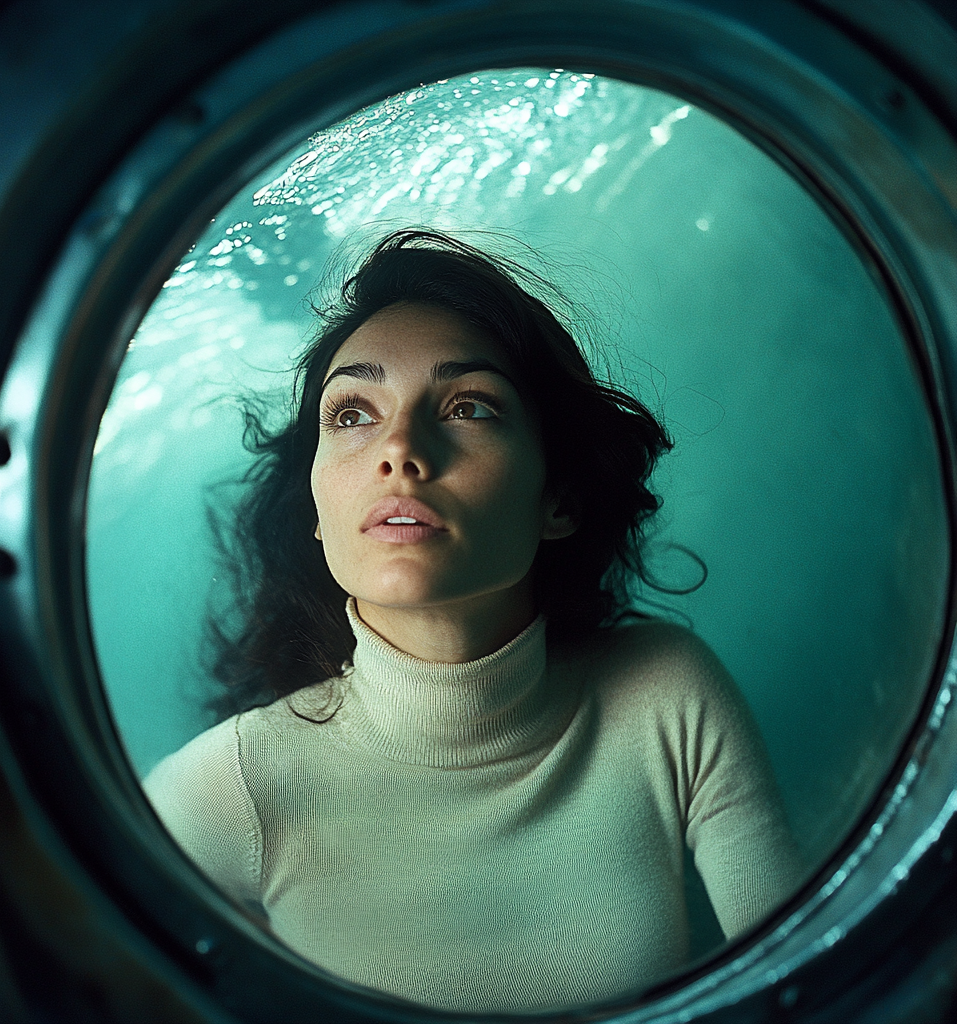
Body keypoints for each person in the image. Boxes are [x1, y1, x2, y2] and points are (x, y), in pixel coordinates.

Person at [144, 229, 802, 1013]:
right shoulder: (229, 787)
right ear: (316, 512)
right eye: (352, 412)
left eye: (468, 406)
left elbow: (820, 988)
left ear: (558, 499)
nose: (398, 450)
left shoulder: (665, 691)